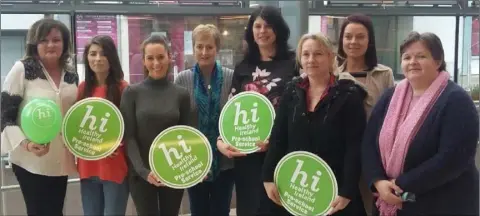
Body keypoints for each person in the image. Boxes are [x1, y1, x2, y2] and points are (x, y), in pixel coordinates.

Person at [362, 32, 479, 216]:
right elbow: (369, 143)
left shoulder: (456, 100)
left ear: (438, 61)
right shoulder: (390, 97)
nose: (412, 62)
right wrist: (377, 181)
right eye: (407, 57)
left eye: (421, 56)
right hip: (389, 200)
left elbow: (453, 159)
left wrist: (399, 186)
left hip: (442, 204)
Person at [262, 33, 367, 216]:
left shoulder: (349, 95)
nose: (311, 60)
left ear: (330, 57)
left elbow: (354, 147)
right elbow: (279, 137)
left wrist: (347, 190)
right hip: (296, 189)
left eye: (318, 54)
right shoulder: (291, 91)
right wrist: (268, 176)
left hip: (333, 190)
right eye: (306, 54)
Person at [216, 5, 299, 216]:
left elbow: (299, 108)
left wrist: (278, 140)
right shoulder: (243, 66)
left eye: (268, 26)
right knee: (250, 208)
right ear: (251, 31)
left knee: (279, 208)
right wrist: (221, 140)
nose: (262, 31)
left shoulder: (293, 64)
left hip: (281, 151)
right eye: (258, 26)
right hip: (248, 155)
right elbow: (233, 108)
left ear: (278, 30)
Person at [0, 18, 78, 215]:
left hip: (60, 158)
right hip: (30, 160)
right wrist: (27, 144)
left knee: (55, 211)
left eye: (56, 40)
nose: (50, 45)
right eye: (43, 40)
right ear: (34, 44)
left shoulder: (71, 73)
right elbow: (5, 114)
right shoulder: (22, 69)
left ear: (65, 43)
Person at [120, 34, 191, 216]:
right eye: (150, 58)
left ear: (169, 57)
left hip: (173, 170)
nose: (156, 63)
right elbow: (129, 137)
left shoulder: (181, 94)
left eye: (160, 57)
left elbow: (187, 135)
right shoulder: (132, 93)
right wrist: (144, 172)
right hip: (141, 173)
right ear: (143, 61)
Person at [336, 13, 395, 214]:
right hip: (340, 156)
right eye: (348, 36)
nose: (354, 42)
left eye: (360, 36)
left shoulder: (384, 74)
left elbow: (392, 116)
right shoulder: (330, 75)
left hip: (375, 157)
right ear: (341, 39)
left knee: (373, 207)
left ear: (370, 41)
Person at [174, 24, 235, 216]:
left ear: (217, 48)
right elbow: (178, 121)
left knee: (221, 210)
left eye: (209, 47)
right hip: (194, 160)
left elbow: (234, 118)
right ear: (193, 49)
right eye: (199, 46)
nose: (204, 52)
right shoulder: (183, 79)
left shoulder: (231, 77)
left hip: (225, 161)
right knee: (198, 210)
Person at [77, 35, 129, 216]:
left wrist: (118, 144)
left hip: (114, 167)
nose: (97, 58)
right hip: (87, 167)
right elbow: (77, 127)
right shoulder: (83, 89)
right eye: (93, 54)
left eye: (103, 54)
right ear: (87, 58)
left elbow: (130, 128)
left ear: (112, 58)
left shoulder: (124, 88)